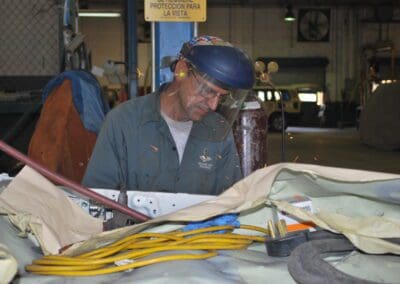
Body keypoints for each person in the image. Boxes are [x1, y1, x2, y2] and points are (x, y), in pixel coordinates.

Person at [82, 35, 255, 195]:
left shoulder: (218, 130)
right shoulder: (123, 122)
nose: (213, 104)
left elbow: (231, 201)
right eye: (207, 90)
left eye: (221, 97)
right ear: (181, 70)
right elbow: (97, 198)